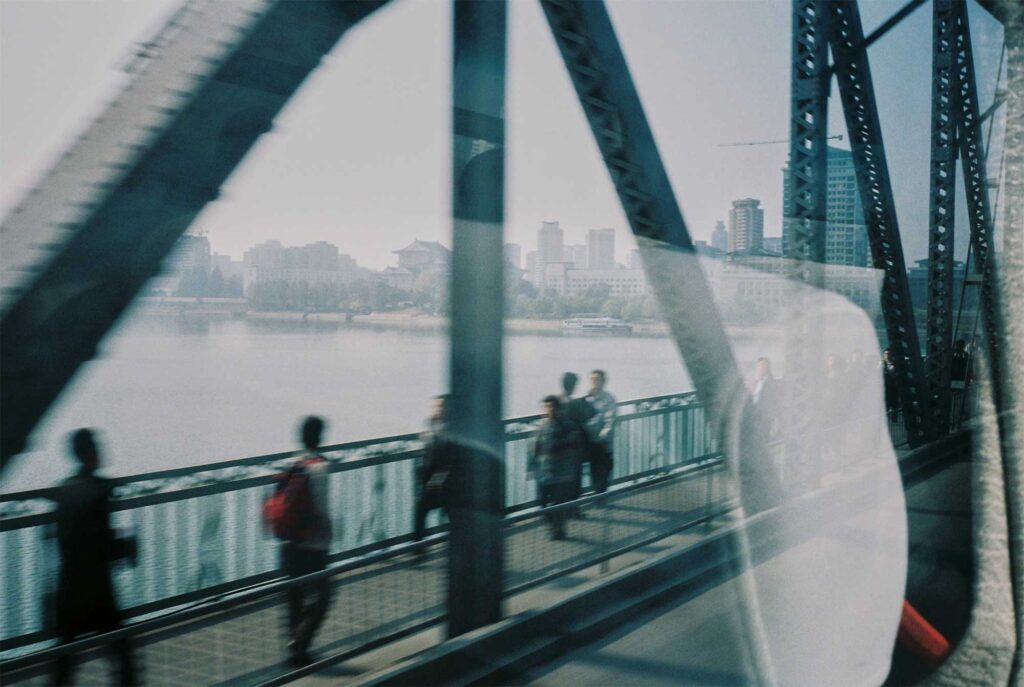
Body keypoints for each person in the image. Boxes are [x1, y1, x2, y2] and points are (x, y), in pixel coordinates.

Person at [52, 429, 137, 686]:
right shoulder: (98, 492)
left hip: (67, 586)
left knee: (64, 661)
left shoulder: (64, 489)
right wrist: (126, 547)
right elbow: (103, 544)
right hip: (96, 589)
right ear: (91, 453)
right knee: (122, 655)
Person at [280, 416, 332, 667]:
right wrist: (327, 537)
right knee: (324, 595)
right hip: (313, 545)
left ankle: (295, 653)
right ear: (320, 438)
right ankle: (301, 643)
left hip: (289, 542)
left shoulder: (291, 463)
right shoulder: (320, 467)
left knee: (295, 597)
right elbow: (321, 510)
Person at [529, 396, 580, 539]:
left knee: (559, 503)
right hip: (544, 472)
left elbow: (572, 448)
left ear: (558, 409)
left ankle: (558, 529)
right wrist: (532, 468)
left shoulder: (567, 426)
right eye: (546, 407)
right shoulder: (540, 427)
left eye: (552, 407)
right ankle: (554, 526)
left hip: (561, 473)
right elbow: (534, 448)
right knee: (543, 503)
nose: (549, 410)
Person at [413, 395, 453, 559]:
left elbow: (451, 458)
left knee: (445, 513)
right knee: (421, 511)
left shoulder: (452, 429)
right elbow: (426, 449)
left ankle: (420, 550)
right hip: (428, 479)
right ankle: (419, 550)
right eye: (435, 407)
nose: (437, 410)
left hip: (447, 482)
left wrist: (437, 480)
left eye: (440, 407)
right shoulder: (429, 424)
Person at [558, 373, 596, 509]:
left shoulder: (559, 401)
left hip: (562, 448)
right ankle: (574, 509)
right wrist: (586, 400)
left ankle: (566, 508)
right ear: (572, 385)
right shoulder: (573, 403)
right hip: (573, 448)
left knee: (565, 479)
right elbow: (590, 414)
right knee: (575, 478)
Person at [585, 369, 617, 493]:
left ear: (604, 381)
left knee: (604, 471)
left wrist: (603, 434)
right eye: (592, 380)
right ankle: (597, 497)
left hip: (604, 443)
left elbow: (610, 419)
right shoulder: (587, 398)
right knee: (593, 471)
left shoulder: (609, 399)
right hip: (590, 442)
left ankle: (601, 497)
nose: (594, 382)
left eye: (597, 379)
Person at [881, 348, 900, 423]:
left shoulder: (896, 365)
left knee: (894, 406)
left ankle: (894, 421)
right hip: (885, 389)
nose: (887, 356)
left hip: (894, 388)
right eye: (886, 354)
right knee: (885, 406)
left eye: (889, 354)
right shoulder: (881, 364)